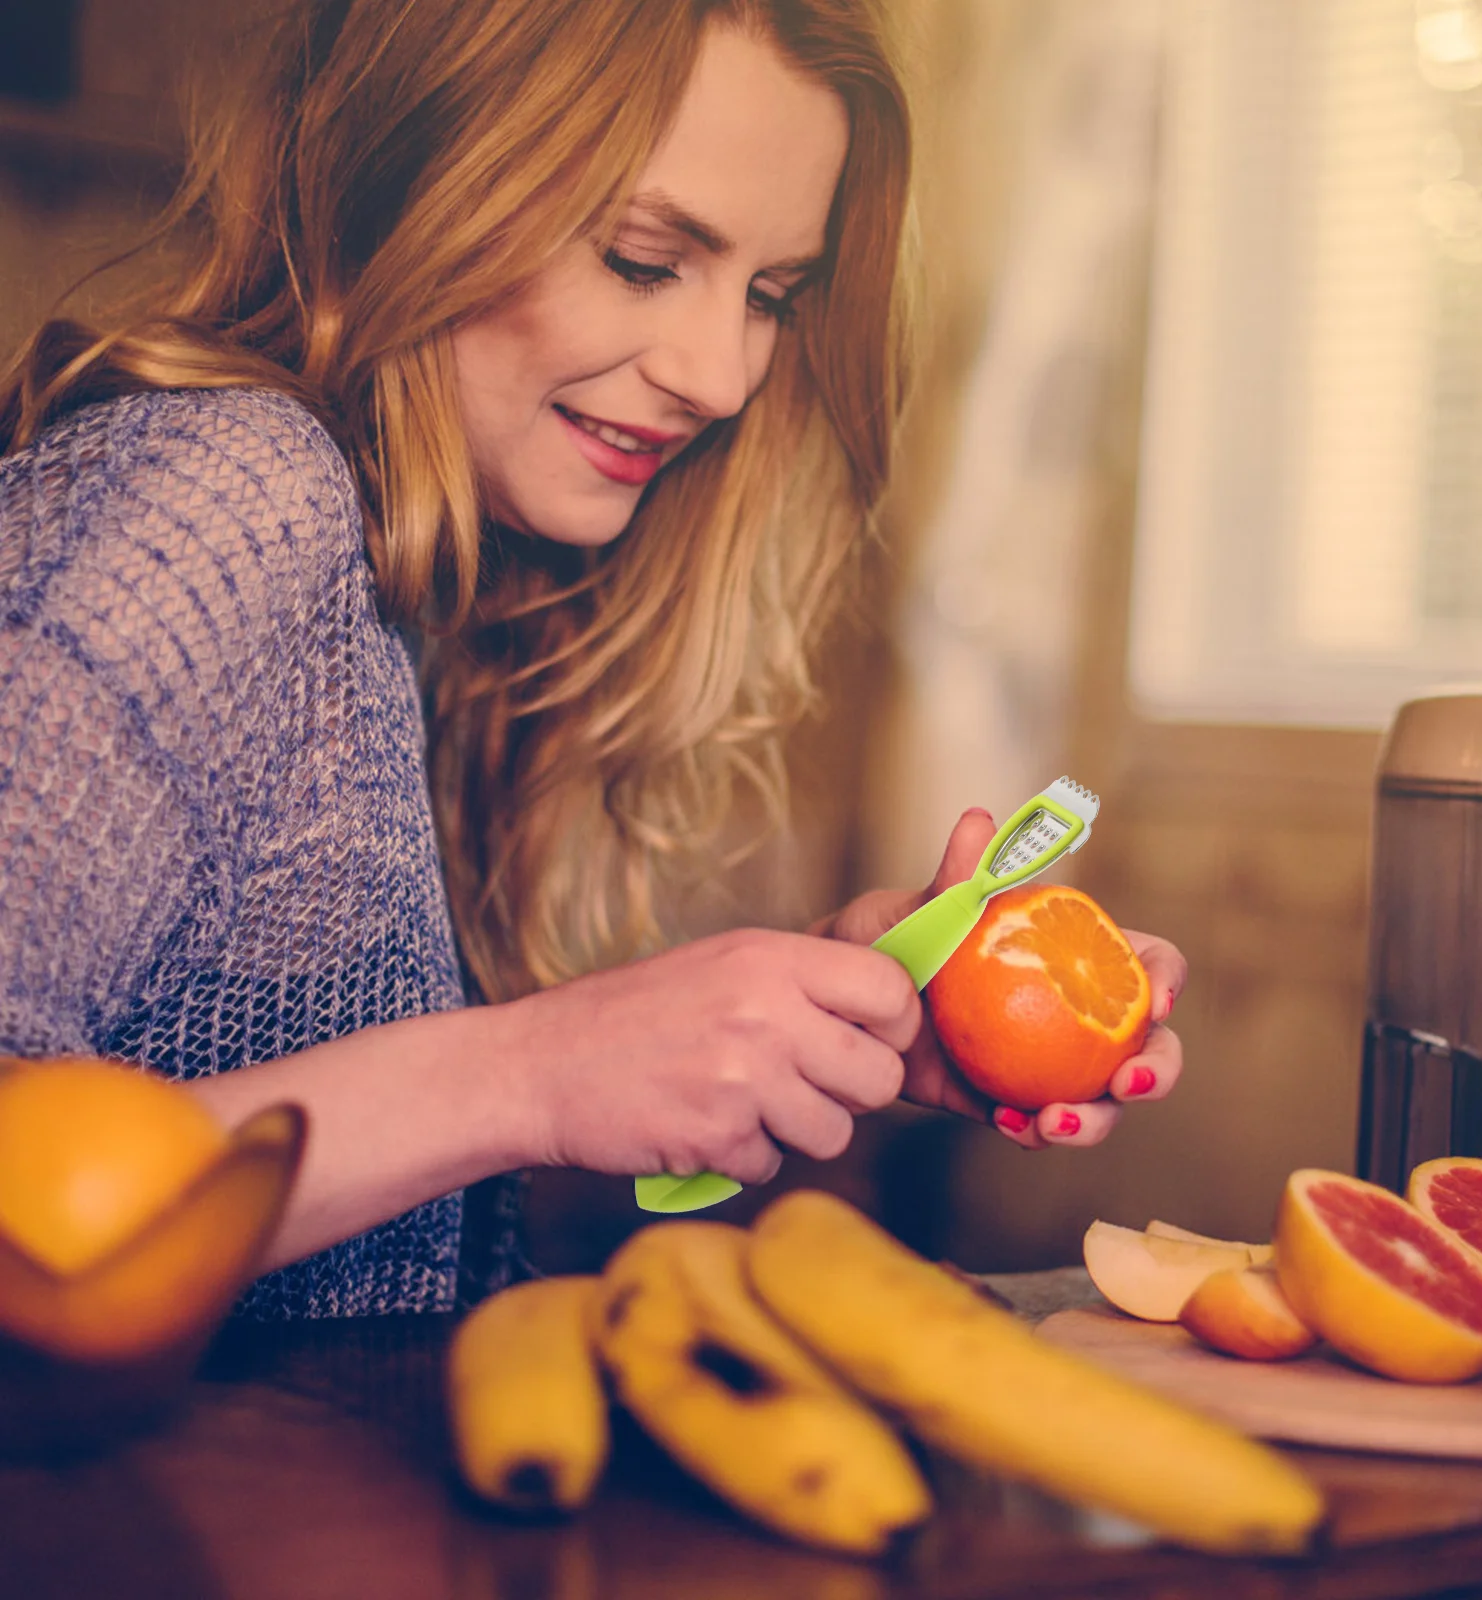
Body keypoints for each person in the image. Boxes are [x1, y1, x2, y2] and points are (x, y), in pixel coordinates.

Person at [0, 0, 1185, 1318]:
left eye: (770, 298)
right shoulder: (225, 499)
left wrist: (763, 1038)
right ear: (418, 179)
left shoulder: (447, 589)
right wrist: (529, 1072)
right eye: (642, 258)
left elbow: (363, 1235)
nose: (721, 379)